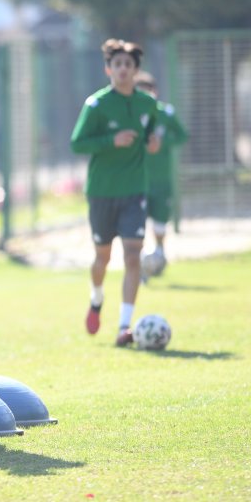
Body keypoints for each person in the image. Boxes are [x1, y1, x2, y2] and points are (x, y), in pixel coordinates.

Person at [70, 39, 161, 346]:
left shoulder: (148, 105)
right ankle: (96, 300)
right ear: (109, 68)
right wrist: (112, 140)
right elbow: (77, 144)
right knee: (102, 258)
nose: (123, 69)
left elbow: (151, 136)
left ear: (136, 71)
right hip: (102, 192)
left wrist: (152, 143)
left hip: (134, 191)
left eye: (129, 65)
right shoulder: (96, 105)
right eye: (117, 64)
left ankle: (125, 326)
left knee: (133, 255)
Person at [135, 71, 188, 278]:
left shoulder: (165, 114)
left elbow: (182, 135)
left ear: (155, 92)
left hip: (161, 180)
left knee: (159, 224)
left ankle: (159, 257)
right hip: (137, 180)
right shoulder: (131, 116)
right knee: (136, 225)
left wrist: (162, 143)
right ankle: (138, 267)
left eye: (148, 92)